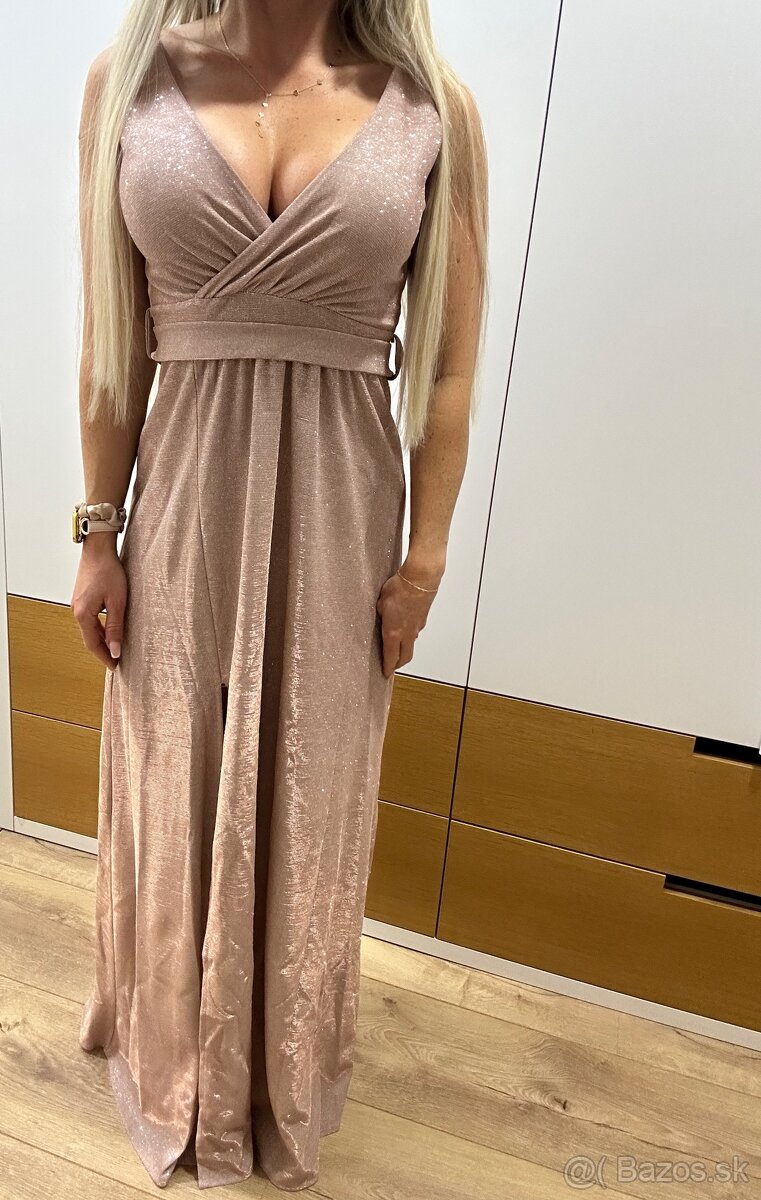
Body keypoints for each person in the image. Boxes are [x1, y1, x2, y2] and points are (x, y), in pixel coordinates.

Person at [71, 0, 488, 1190]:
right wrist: (98, 530)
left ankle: (272, 1069)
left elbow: (447, 368)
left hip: (340, 516)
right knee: (172, 777)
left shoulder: (433, 108)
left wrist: (425, 556)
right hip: (181, 505)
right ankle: (171, 1048)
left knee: (307, 787)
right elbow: (112, 340)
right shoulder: (129, 80)